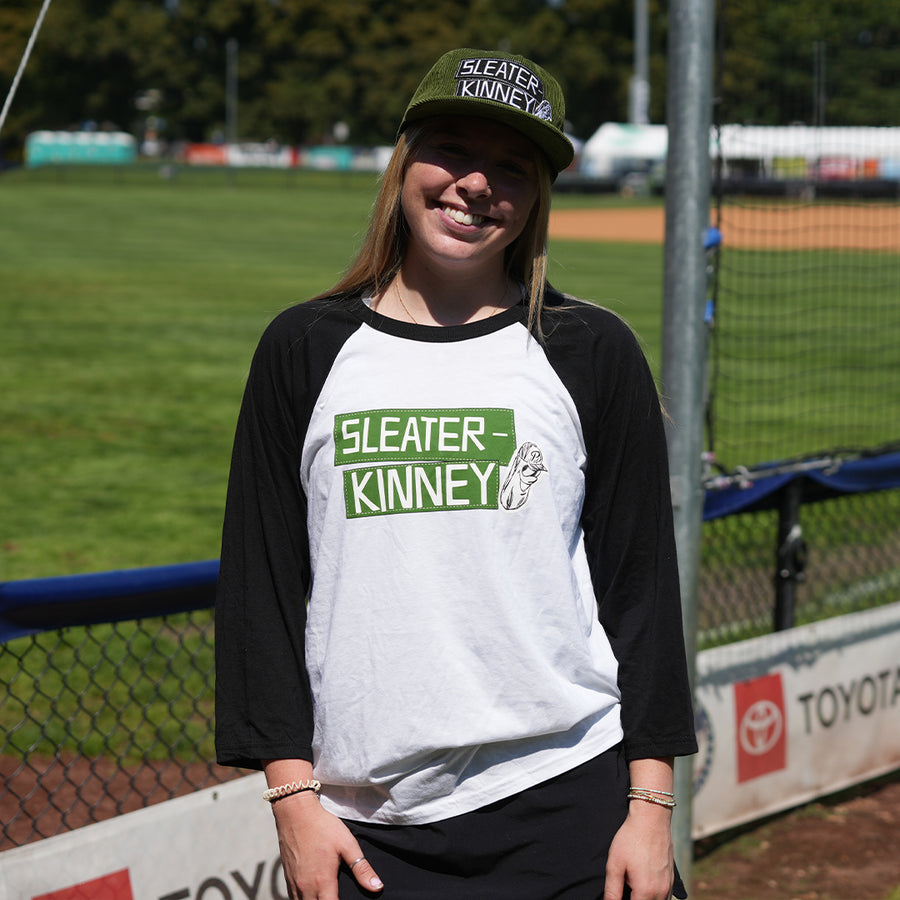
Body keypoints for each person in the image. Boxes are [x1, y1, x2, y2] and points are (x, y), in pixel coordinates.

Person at [215, 47, 697, 900]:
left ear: (538, 196)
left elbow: (642, 591)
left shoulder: (589, 350)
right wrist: (293, 799)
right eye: (454, 151)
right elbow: (260, 587)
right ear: (405, 160)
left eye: (511, 167)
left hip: (569, 800)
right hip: (368, 833)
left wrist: (651, 806)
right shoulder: (305, 348)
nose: (476, 184)